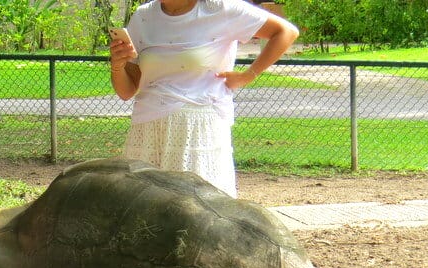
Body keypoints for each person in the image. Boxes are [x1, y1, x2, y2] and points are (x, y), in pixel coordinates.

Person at [109, 0, 299, 198]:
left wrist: (248, 75)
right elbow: (127, 90)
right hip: (147, 129)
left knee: (198, 206)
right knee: (146, 210)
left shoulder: (220, 8)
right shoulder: (143, 16)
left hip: (198, 131)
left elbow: (286, 32)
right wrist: (117, 65)